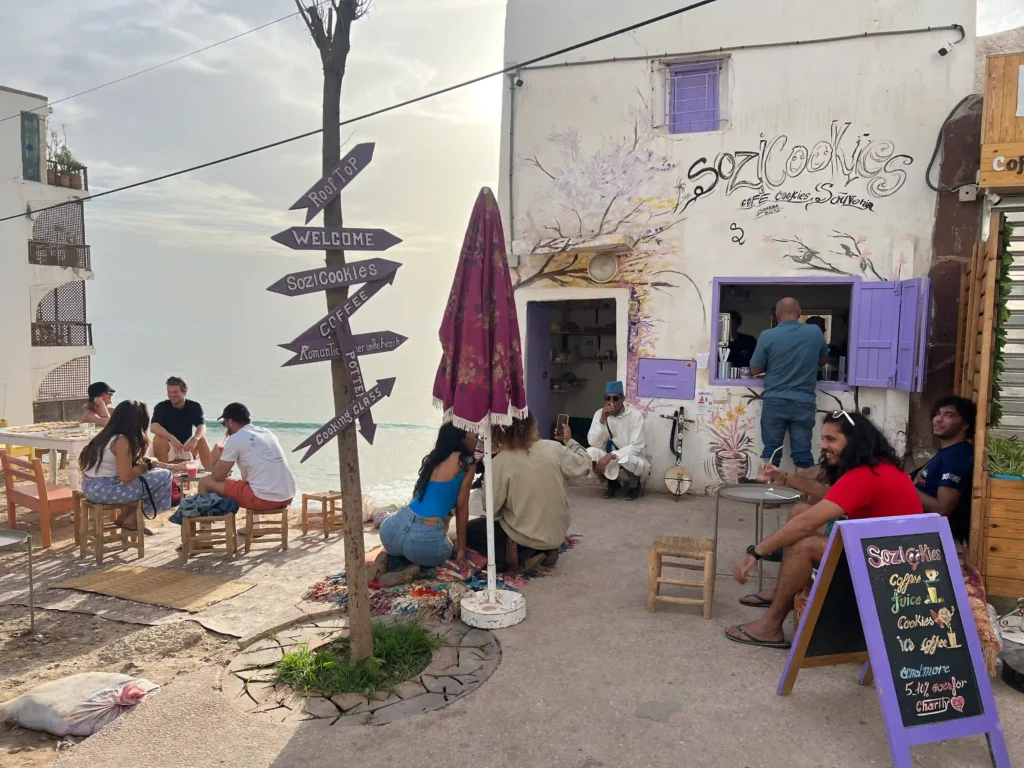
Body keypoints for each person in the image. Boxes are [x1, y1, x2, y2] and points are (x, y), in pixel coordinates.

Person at [725, 410, 923, 649]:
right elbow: (831, 495)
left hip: (891, 564)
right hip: (887, 550)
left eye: (831, 440)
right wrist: (784, 478)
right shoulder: (874, 467)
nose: (824, 445)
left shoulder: (865, 476)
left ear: (854, 440)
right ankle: (782, 591)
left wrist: (755, 553)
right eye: (823, 438)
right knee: (800, 510)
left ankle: (770, 626)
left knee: (804, 544)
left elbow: (807, 524)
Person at [464, 413, 591, 572]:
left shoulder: (499, 461)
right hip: (556, 533)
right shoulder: (554, 448)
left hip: (524, 535)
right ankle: (545, 549)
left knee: (470, 531)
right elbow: (585, 464)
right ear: (532, 425)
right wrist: (568, 440)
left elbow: (491, 509)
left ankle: (524, 555)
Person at [377, 424, 477, 581]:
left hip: (391, 530)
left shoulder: (433, 459)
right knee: (446, 550)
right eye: (474, 436)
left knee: (405, 544)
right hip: (423, 540)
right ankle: (416, 570)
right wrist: (462, 550)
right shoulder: (467, 463)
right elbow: (462, 507)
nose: (477, 438)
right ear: (461, 439)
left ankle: (392, 559)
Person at [750, 298, 828, 470]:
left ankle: (768, 493)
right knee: (802, 452)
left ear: (777, 315)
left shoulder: (767, 335)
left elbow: (755, 369)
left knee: (771, 451)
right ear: (799, 313)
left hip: (775, 401)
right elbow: (823, 361)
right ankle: (806, 494)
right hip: (804, 402)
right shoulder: (815, 332)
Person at [80, 400, 174, 533]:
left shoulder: (105, 435)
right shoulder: (122, 441)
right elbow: (126, 477)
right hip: (105, 491)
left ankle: (126, 516)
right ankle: (135, 517)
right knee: (165, 476)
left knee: (150, 477)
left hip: (90, 486)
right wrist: (146, 465)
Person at [198, 403, 296, 512]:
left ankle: (206, 524)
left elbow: (217, 477)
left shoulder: (236, 438)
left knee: (205, 482)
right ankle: (254, 526)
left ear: (230, 422)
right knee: (251, 483)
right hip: (288, 495)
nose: (225, 428)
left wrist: (217, 455)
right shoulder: (266, 432)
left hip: (263, 499)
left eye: (224, 424)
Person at [914, 395, 975, 544]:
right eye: (938, 414)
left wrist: (905, 487)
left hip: (938, 542)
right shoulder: (947, 452)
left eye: (949, 415)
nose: (939, 419)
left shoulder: (957, 456)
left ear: (965, 424)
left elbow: (943, 508)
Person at [587, 381, 650, 500]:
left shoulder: (635, 415)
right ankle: (612, 484)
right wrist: (602, 420)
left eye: (615, 398)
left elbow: (637, 446)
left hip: (632, 456)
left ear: (622, 399)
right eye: (608, 398)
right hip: (612, 456)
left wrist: (612, 455)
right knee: (590, 452)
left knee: (627, 459)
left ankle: (634, 486)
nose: (611, 402)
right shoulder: (600, 414)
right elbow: (594, 443)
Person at [151, 376, 211, 468]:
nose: (171, 395)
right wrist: (171, 438)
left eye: (175, 392)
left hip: (186, 448)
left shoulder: (194, 406)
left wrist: (195, 439)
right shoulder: (161, 407)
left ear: (184, 391)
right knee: (158, 439)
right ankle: (164, 472)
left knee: (201, 439)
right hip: (169, 448)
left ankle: (211, 472)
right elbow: (154, 427)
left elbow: (201, 426)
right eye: (169, 392)